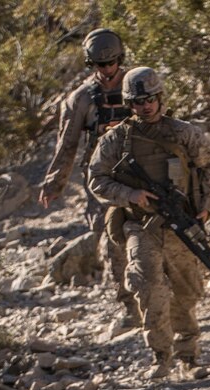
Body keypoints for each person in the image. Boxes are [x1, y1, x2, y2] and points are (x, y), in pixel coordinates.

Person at [88, 66, 210, 380]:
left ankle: (189, 357)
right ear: (128, 104)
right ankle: (161, 357)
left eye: (150, 99)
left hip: (182, 223)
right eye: (138, 102)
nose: (145, 106)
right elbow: (96, 180)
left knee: (186, 291)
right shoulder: (117, 139)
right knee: (148, 288)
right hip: (141, 225)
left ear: (161, 97)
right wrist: (130, 194)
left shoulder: (182, 132)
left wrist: (206, 208)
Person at [39, 29, 138, 324]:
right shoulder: (80, 99)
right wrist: (54, 183)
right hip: (102, 178)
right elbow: (67, 143)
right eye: (99, 65)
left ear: (121, 59)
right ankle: (132, 307)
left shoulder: (139, 83)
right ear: (90, 64)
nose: (107, 70)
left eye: (112, 63)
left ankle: (165, 302)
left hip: (144, 172)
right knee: (113, 241)